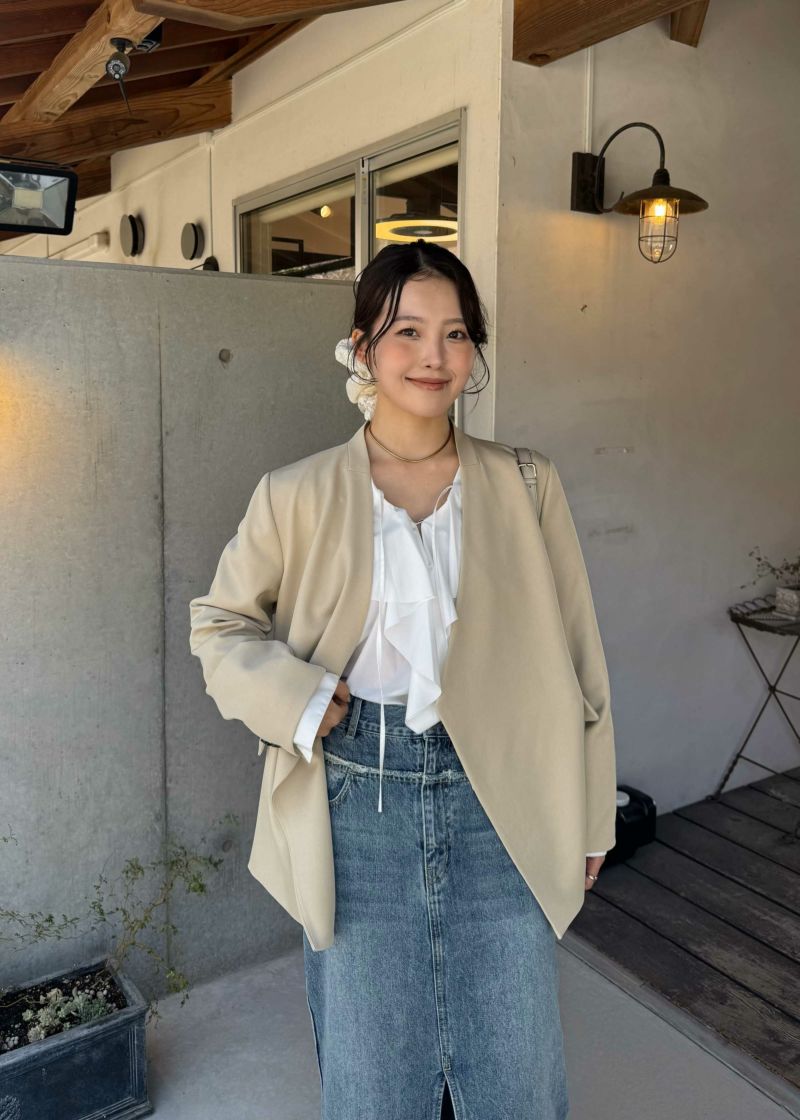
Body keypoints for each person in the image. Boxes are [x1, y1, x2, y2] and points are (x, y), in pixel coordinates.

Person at [189, 239, 617, 1119]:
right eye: (408, 331)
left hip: (503, 798)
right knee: (374, 1074)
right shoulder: (296, 493)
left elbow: (581, 655)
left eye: (456, 333)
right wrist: (299, 698)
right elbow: (219, 624)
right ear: (363, 347)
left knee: (518, 1070)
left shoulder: (526, 482)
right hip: (358, 804)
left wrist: (591, 811)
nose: (434, 355)